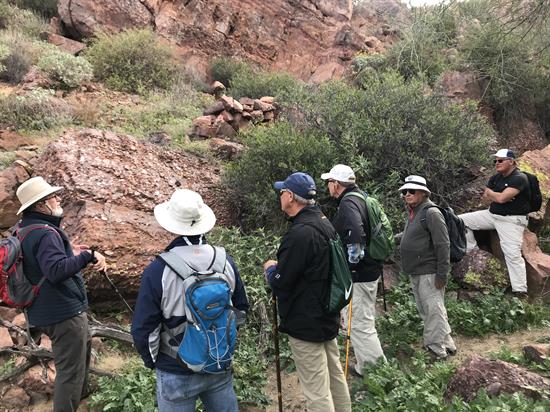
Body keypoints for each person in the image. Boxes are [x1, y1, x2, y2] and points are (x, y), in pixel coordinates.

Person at [131, 189, 249, 412]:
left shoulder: (158, 270)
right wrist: (220, 344)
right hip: (219, 363)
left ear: (171, 224)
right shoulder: (226, 262)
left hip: (175, 368)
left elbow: (143, 329)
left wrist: (153, 361)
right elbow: (240, 311)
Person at [15, 176, 107, 412]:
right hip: (63, 313)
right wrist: (87, 257)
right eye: (52, 197)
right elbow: (55, 271)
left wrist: (74, 251)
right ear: (40, 205)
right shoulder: (45, 233)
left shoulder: (24, 229)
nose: (57, 198)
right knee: (70, 373)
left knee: (77, 362)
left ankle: (80, 400)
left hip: (41, 309)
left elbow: (39, 261)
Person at [263, 172, 351, 412]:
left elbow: (281, 282)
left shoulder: (300, 233)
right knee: (334, 376)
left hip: (305, 320)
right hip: (327, 313)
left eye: (282, 192)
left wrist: (271, 270)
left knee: (316, 390)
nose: (280, 195)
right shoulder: (324, 222)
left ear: (290, 197)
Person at [320, 164, 386, 377]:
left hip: (360, 274)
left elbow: (356, 233)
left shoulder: (348, 203)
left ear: (336, 185)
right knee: (362, 319)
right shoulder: (361, 197)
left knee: (359, 323)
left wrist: (350, 265)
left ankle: (376, 371)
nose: (328, 186)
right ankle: (368, 365)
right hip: (370, 270)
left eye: (329, 182)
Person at [398, 175, 456, 360]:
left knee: (433, 311)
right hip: (417, 270)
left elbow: (443, 244)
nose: (407, 194)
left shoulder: (431, 213)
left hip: (429, 271)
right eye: (404, 191)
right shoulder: (415, 211)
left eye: (411, 191)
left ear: (423, 193)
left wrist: (442, 274)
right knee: (432, 310)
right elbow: (409, 235)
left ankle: (436, 350)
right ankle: (447, 343)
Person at [459, 149, 529, 295]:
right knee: (460, 221)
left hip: (511, 220)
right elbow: (487, 198)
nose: (497, 163)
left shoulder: (519, 178)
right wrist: (495, 195)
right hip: (492, 215)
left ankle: (520, 291)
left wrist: (494, 195)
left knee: (512, 254)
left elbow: (501, 198)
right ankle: (473, 253)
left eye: (500, 160)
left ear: (511, 161)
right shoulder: (496, 178)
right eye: (495, 161)